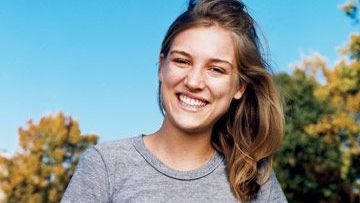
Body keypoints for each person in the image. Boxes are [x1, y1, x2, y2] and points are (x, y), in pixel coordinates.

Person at [61, 0, 287, 202]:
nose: (194, 81)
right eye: (182, 61)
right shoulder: (105, 166)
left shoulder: (254, 179)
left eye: (216, 69)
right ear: (161, 67)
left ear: (239, 87)